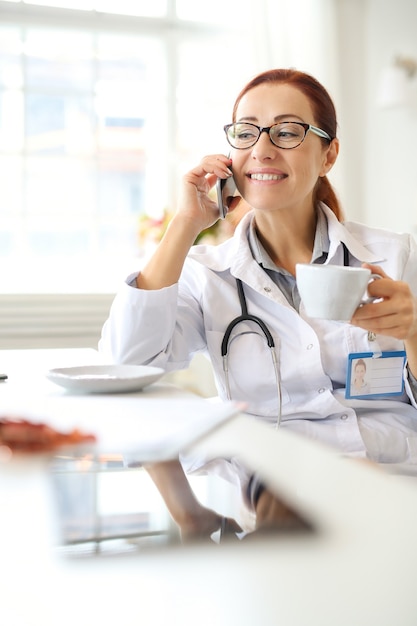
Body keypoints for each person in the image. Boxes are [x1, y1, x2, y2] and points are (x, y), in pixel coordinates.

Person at [99, 68, 417, 530]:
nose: (262, 148)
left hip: (395, 477)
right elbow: (124, 366)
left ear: (329, 155)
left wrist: (413, 334)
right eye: (246, 132)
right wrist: (184, 226)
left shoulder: (396, 257)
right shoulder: (207, 276)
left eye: (288, 132)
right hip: (278, 486)